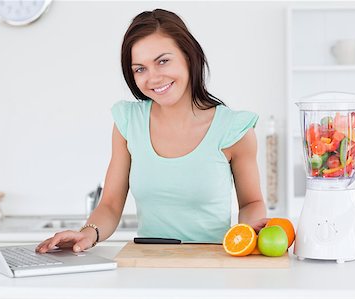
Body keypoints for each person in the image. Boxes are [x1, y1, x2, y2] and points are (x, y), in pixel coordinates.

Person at [36, 9, 267, 254]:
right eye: (140, 69)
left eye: (163, 61)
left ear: (189, 56)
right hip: (147, 267)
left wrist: (249, 235)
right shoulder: (128, 122)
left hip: (212, 266)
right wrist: (86, 234)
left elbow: (252, 202)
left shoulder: (233, 129)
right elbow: (111, 205)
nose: (154, 77)